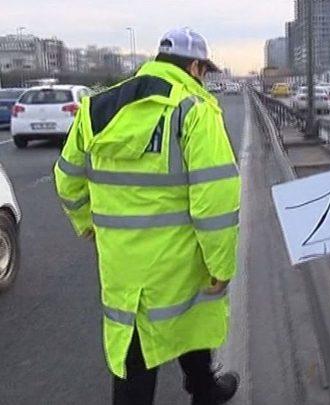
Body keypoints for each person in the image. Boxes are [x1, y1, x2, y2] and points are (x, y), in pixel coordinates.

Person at [54, 27, 241, 405]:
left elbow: (66, 179)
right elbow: (216, 198)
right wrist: (221, 264)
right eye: (204, 70)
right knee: (188, 316)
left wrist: (86, 222)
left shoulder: (96, 108)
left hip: (122, 263)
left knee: (136, 344)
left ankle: (205, 389)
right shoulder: (194, 108)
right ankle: (204, 391)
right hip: (180, 260)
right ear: (195, 66)